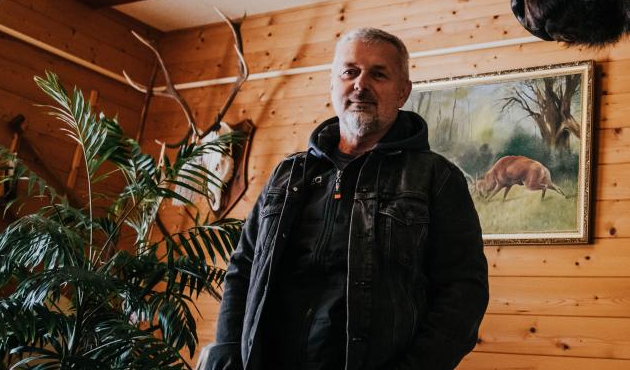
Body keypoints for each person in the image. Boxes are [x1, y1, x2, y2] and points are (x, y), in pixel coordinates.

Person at [207, 28, 489, 370]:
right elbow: (243, 268)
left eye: (379, 74)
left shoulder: (436, 177)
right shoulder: (287, 173)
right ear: (332, 85)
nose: (361, 84)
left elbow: (463, 293)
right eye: (350, 71)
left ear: (403, 92)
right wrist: (227, 349)